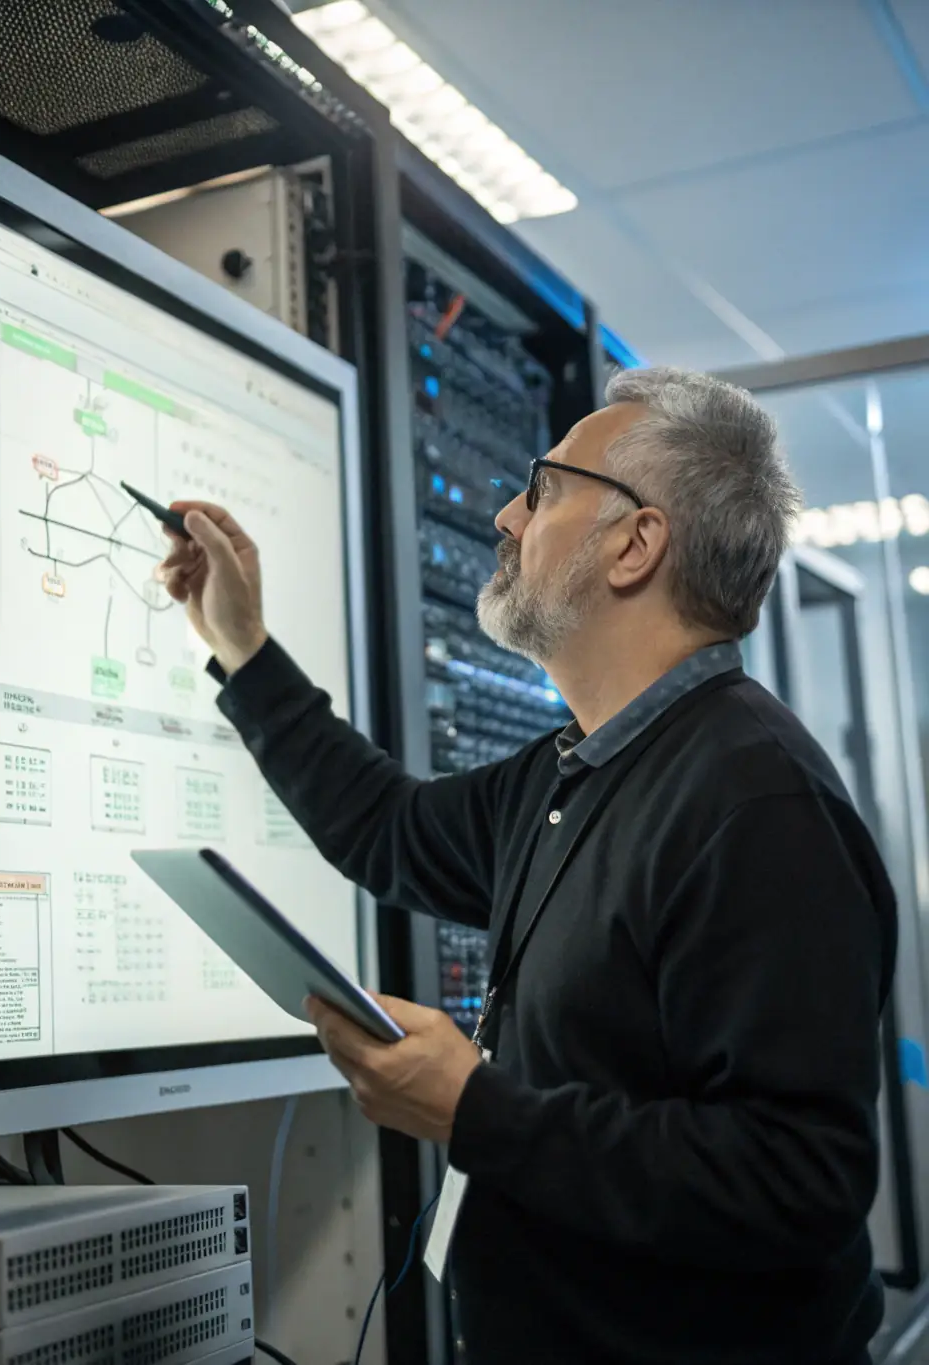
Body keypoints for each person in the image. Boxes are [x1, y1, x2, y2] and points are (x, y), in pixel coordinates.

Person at [160, 366, 895, 1365]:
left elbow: (795, 1179)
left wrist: (478, 1110)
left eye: (543, 490)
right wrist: (242, 647)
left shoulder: (757, 803)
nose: (505, 514)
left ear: (635, 545)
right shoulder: (576, 775)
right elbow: (385, 828)